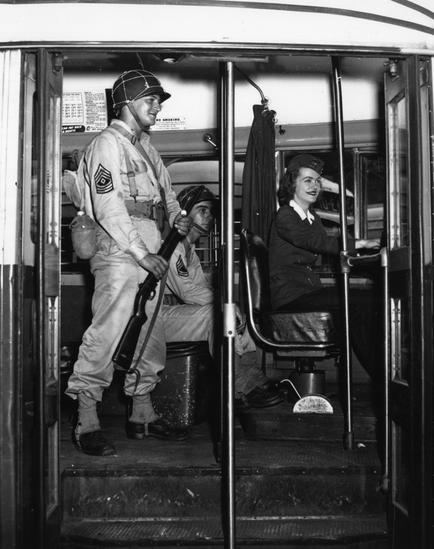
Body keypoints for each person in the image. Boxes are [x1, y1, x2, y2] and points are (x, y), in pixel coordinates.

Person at [65, 69, 193, 456]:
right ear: (126, 103)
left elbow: (167, 197)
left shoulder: (149, 150)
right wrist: (141, 253)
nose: (156, 106)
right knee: (110, 328)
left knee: (149, 330)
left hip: (153, 247)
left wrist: (176, 217)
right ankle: (86, 417)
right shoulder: (106, 144)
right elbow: (108, 205)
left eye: (158, 100)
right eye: (149, 99)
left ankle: (142, 413)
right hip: (121, 250)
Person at [267, 153, 384, 453]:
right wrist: (358, 244)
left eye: (318, 181)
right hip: (291, 298)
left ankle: (382, 371)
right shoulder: (285, 216)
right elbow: (318, 244)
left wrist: (359, 250)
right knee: (359, 303)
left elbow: (328, 244)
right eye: (308, 180)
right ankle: (381, 376)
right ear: (291, 184)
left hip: (304, 292)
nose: (315, 185)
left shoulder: (312, 218)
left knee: (363, 299)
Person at [163, 185, 286, 408]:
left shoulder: (189, 250)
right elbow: (186, 291)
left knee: (235, 311)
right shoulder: (173, 246)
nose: (209, 217)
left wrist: (230, 305)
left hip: (174, 315)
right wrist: (224, 306)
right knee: (220, 317)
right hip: (157, 319)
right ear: (183, 215)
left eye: (210, 211)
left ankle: (254, 378)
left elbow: (200, 288)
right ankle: (239, 389)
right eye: (202, 210)